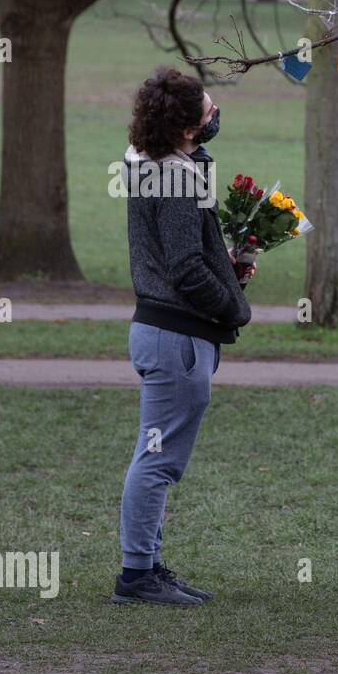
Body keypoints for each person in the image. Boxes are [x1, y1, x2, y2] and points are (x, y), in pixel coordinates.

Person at [112, 67, 255, 606]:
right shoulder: (174, 177)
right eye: (209, 111)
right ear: (189, 129)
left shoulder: (162, 165)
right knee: (158, 461)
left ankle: (145, 566)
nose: (217, 115)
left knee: (157, 457)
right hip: (175, 337)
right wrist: (233, 307)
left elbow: (190, 254)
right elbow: (185, 268)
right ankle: (137, 575)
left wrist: (230, 270)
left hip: (165, 332)